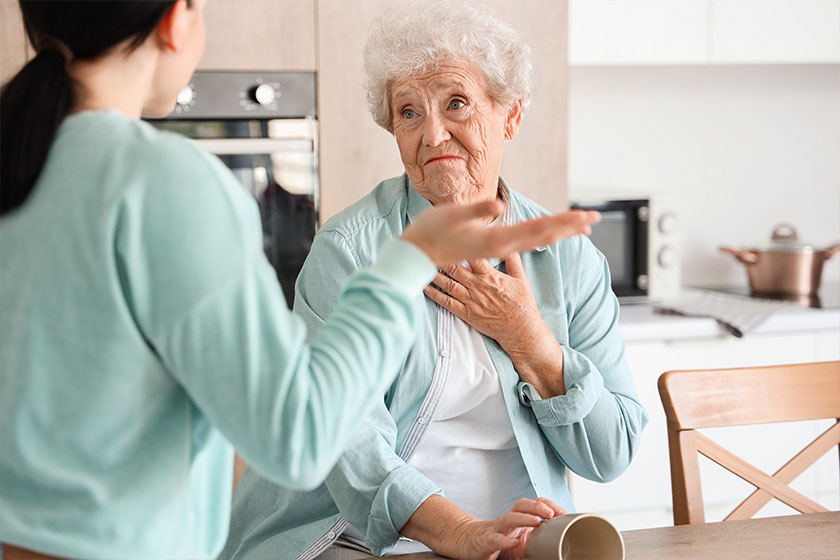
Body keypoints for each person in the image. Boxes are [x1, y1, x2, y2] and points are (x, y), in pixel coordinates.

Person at [0, 1, 600, 559]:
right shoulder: (163, 183)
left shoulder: (25, 163)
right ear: (177, 19)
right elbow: (299, 438)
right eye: (410, 112)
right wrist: (408, 259)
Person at [220, 3, 648, 560]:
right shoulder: (352, 250)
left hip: (518, 542)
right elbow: (345, 440)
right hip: (350, 538)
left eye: (456, 103)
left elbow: (612, 453)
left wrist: (528, 337)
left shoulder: (570, 258)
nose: (433, 132)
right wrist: (462, 533)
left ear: (510, 116)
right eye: (408, 112)